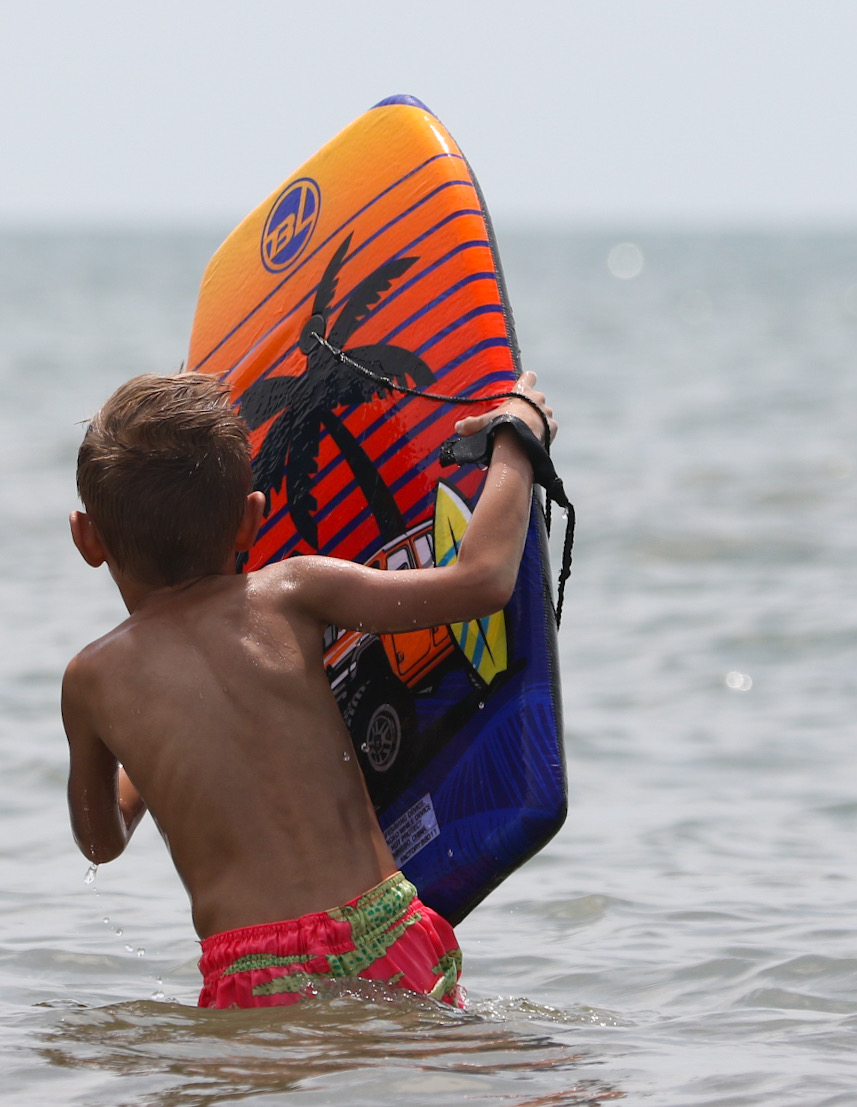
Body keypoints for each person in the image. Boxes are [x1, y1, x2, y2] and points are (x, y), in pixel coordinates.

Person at [61, 370, 557, 1009]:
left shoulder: (93, 678)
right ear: (251, 520)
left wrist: (151, 755)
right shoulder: (293, 591)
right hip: (384, 926)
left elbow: (100, 840)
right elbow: (483, 580)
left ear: (86, 537)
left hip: (252, 969)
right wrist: (517, 437)